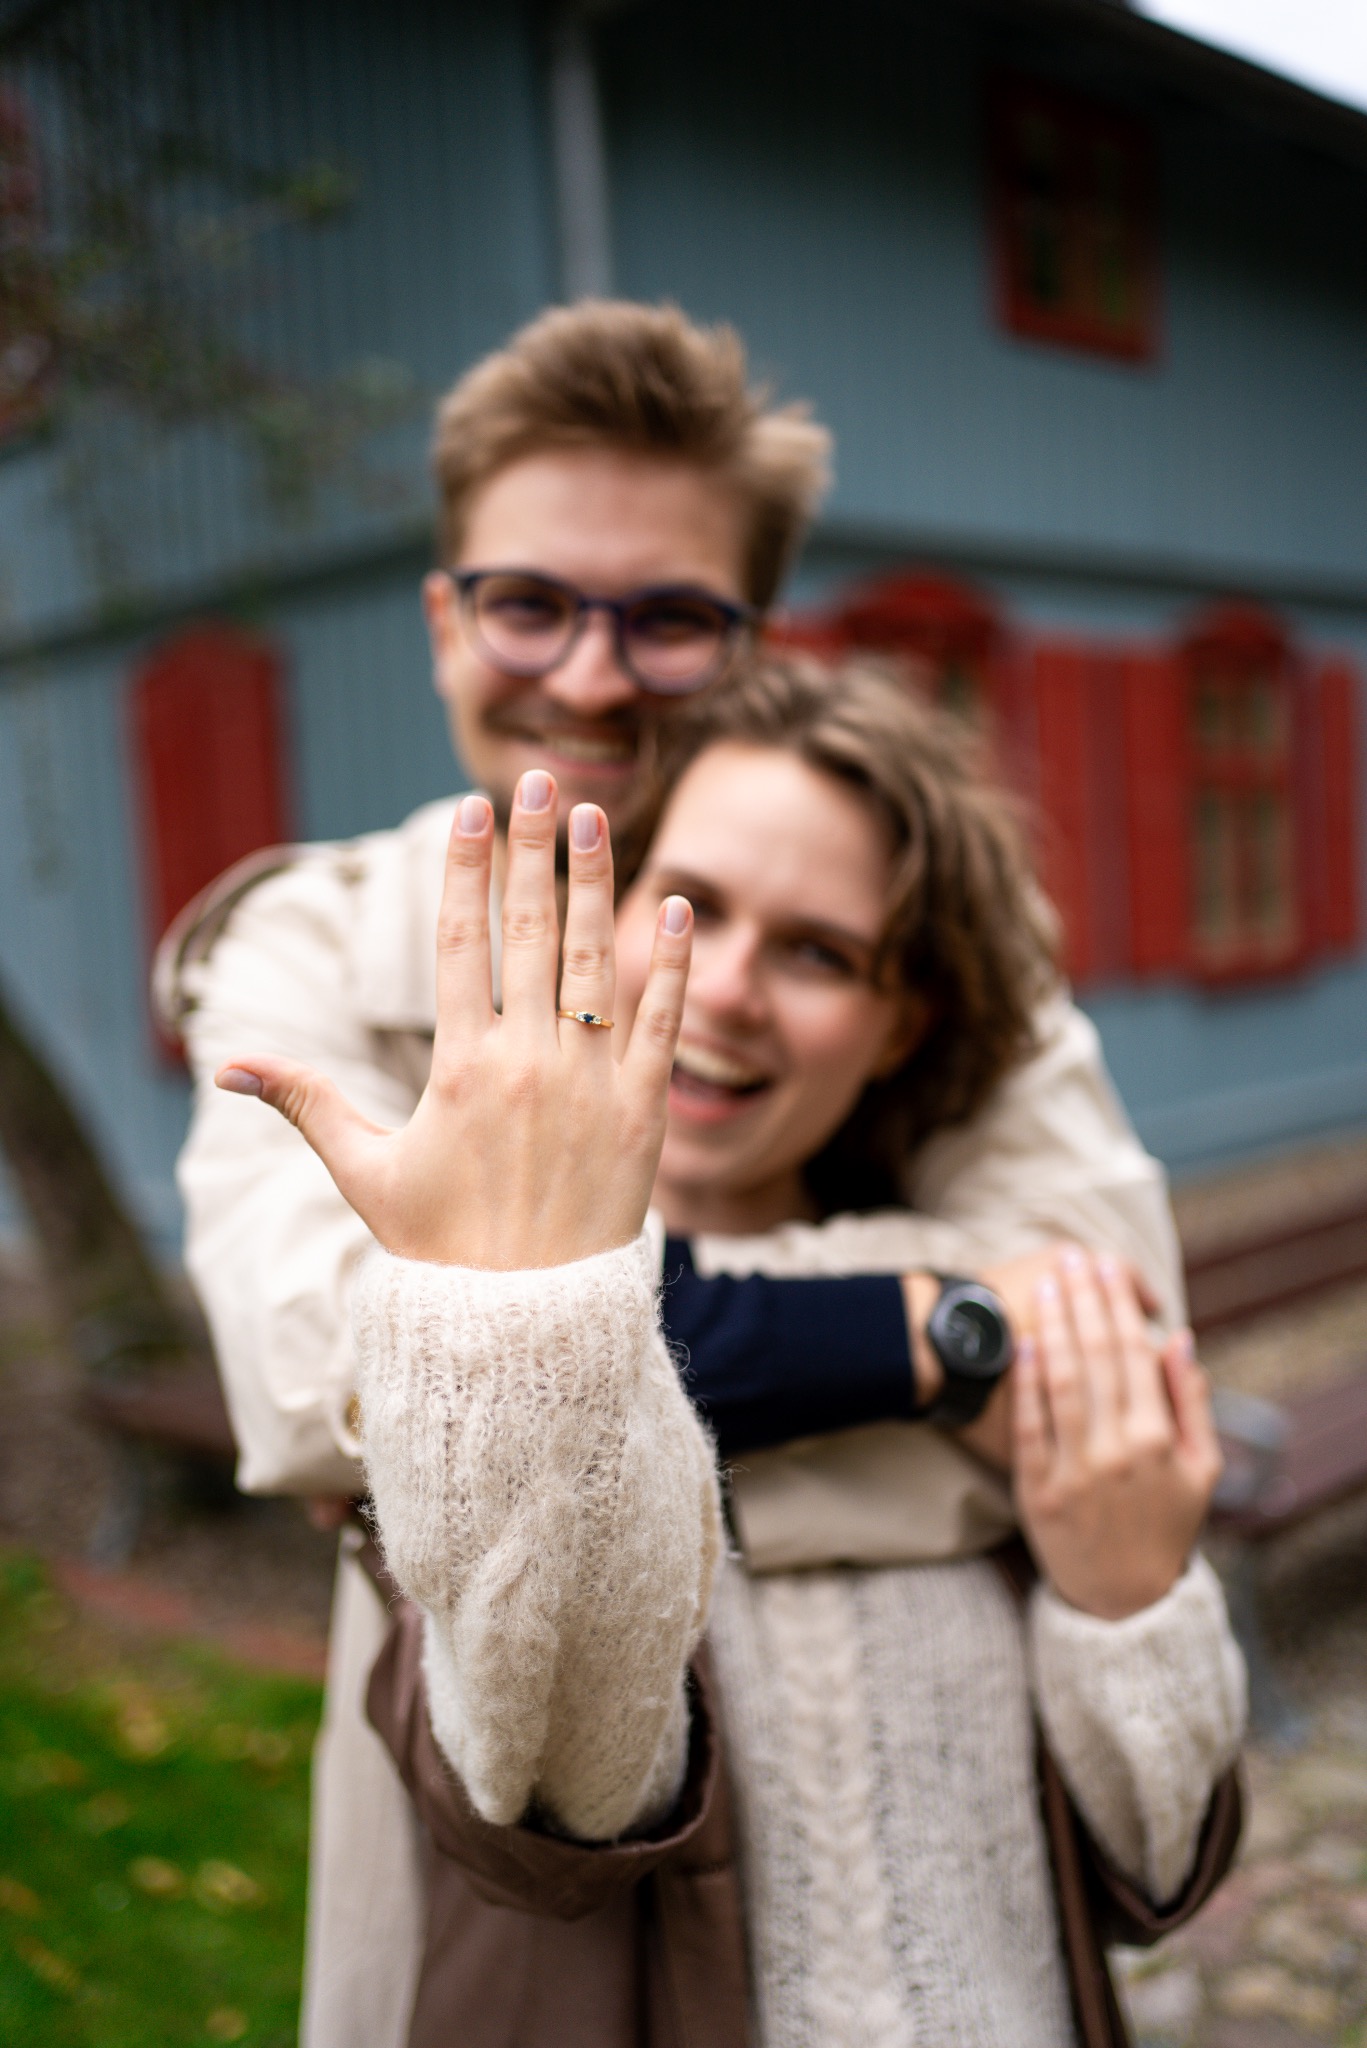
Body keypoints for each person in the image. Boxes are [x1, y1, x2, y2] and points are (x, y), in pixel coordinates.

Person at [156, 303, 1185, 2045]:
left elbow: (1113, 1341)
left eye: (670, 618)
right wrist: (936, 1340)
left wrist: (517, 1357)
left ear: (756, 639)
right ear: (442, 618)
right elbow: (328, 1387)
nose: (588, 674)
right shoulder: (311, 949)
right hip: (505, 1832)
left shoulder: (939, 923)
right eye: (531, 601)